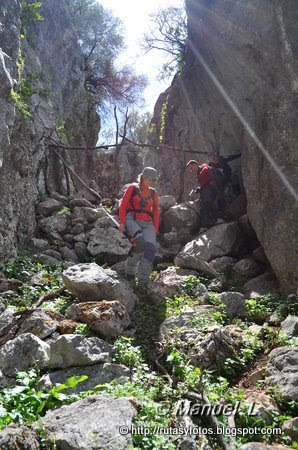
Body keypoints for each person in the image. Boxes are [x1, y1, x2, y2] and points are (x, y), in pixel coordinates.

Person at [119, 167, 159, 286]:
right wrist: (122, 223)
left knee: (151, 249)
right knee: (140, 243)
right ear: (143, 177)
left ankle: (143, 280)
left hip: (148, 224)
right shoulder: (132, 188)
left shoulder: (154, 193)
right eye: (150, 179)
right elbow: (123, 205)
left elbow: (156, 213)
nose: (152, 182)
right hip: (132, 219)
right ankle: (130, 271)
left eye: (154, 180)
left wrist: (155, 230)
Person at [186, 160, 217, 229]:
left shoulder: (204, 171)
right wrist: (200, 196)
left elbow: (206, 185)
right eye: (190, 170)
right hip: (210, 190)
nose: (192, 170)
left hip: (212, 190)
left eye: (191, 168)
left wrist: (200, 190)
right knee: (203, 203)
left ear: (195, 165)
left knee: (204, 206)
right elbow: (204, 186)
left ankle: (206, 224)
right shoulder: (201, 171)